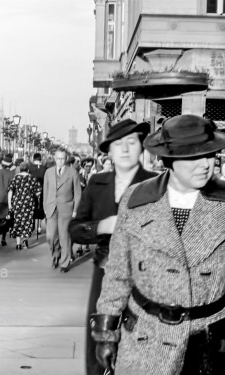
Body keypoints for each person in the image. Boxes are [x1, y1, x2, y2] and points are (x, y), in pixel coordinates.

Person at [91, 114, 225, 374]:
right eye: (193, 157)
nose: (205, 165)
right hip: (145, 341)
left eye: (210, 155)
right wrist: (106, 333)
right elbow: (119, 272)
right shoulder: (137, 199)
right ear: (170, 160)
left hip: (209, 346)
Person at [68, 119, 156, 375]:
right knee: (99, 338)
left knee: (139, 339)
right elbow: (75, 229)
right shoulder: (97, 183)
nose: (126, 149)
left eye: (132, 143)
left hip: (146, 275)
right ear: (109, 151)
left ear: (142, 148)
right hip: (104, 271)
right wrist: (101, 226)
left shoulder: (156, 184)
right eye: (119, 144)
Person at [43, 149, 82, 272]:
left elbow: (78, 194)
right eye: (58, 158)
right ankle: (56, 254)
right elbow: (46, 190)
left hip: (66, 208)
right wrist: (45, 206)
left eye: (62, 158)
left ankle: (65, 263)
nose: (60, 161)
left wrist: (75, 210)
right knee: (50, 236)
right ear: (54, 158)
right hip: (51, 208)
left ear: (66, 159)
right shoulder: (48, 172)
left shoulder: (73, 173)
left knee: (64, 236)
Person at [8, 162, 42, 250]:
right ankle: (25, 241)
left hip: (17, 202)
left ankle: (18, 244)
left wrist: (9, 204)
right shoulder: (32, 178)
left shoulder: (15, 177)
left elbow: (10, 191)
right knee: (27, 221)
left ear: (19, 169)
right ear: (28, 169)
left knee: (17, 222)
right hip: (29, 203)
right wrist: (33, 195)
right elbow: (38, 191)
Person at [29, 152, 46, 235]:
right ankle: (39, 226)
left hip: (32, 190)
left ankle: (32, 225)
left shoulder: (30, 167)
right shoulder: (43, 168)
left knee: (32, 207)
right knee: (40, 207)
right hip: (42, 190)